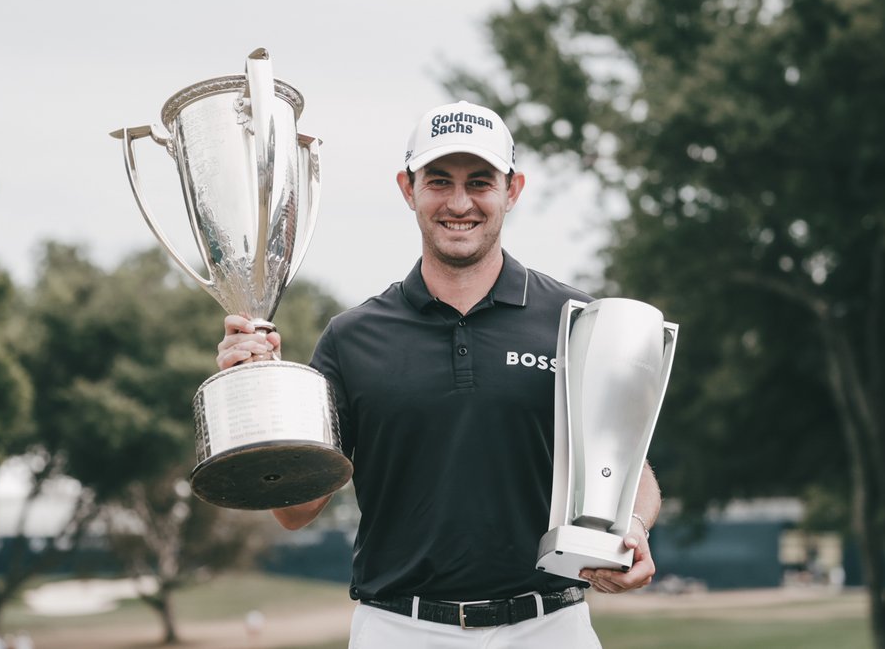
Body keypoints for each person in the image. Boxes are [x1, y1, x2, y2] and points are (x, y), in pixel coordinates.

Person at [217, 100, 661, 648]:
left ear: (512, 189)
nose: (459, 203)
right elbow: (295, 511)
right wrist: (264, 399)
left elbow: (630, 467)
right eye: (438, 181)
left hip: (549, 627)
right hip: (399, 629)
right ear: (408, 189)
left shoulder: (577, 322)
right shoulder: (352, 338)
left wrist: (634, 529)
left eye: (479, 182)